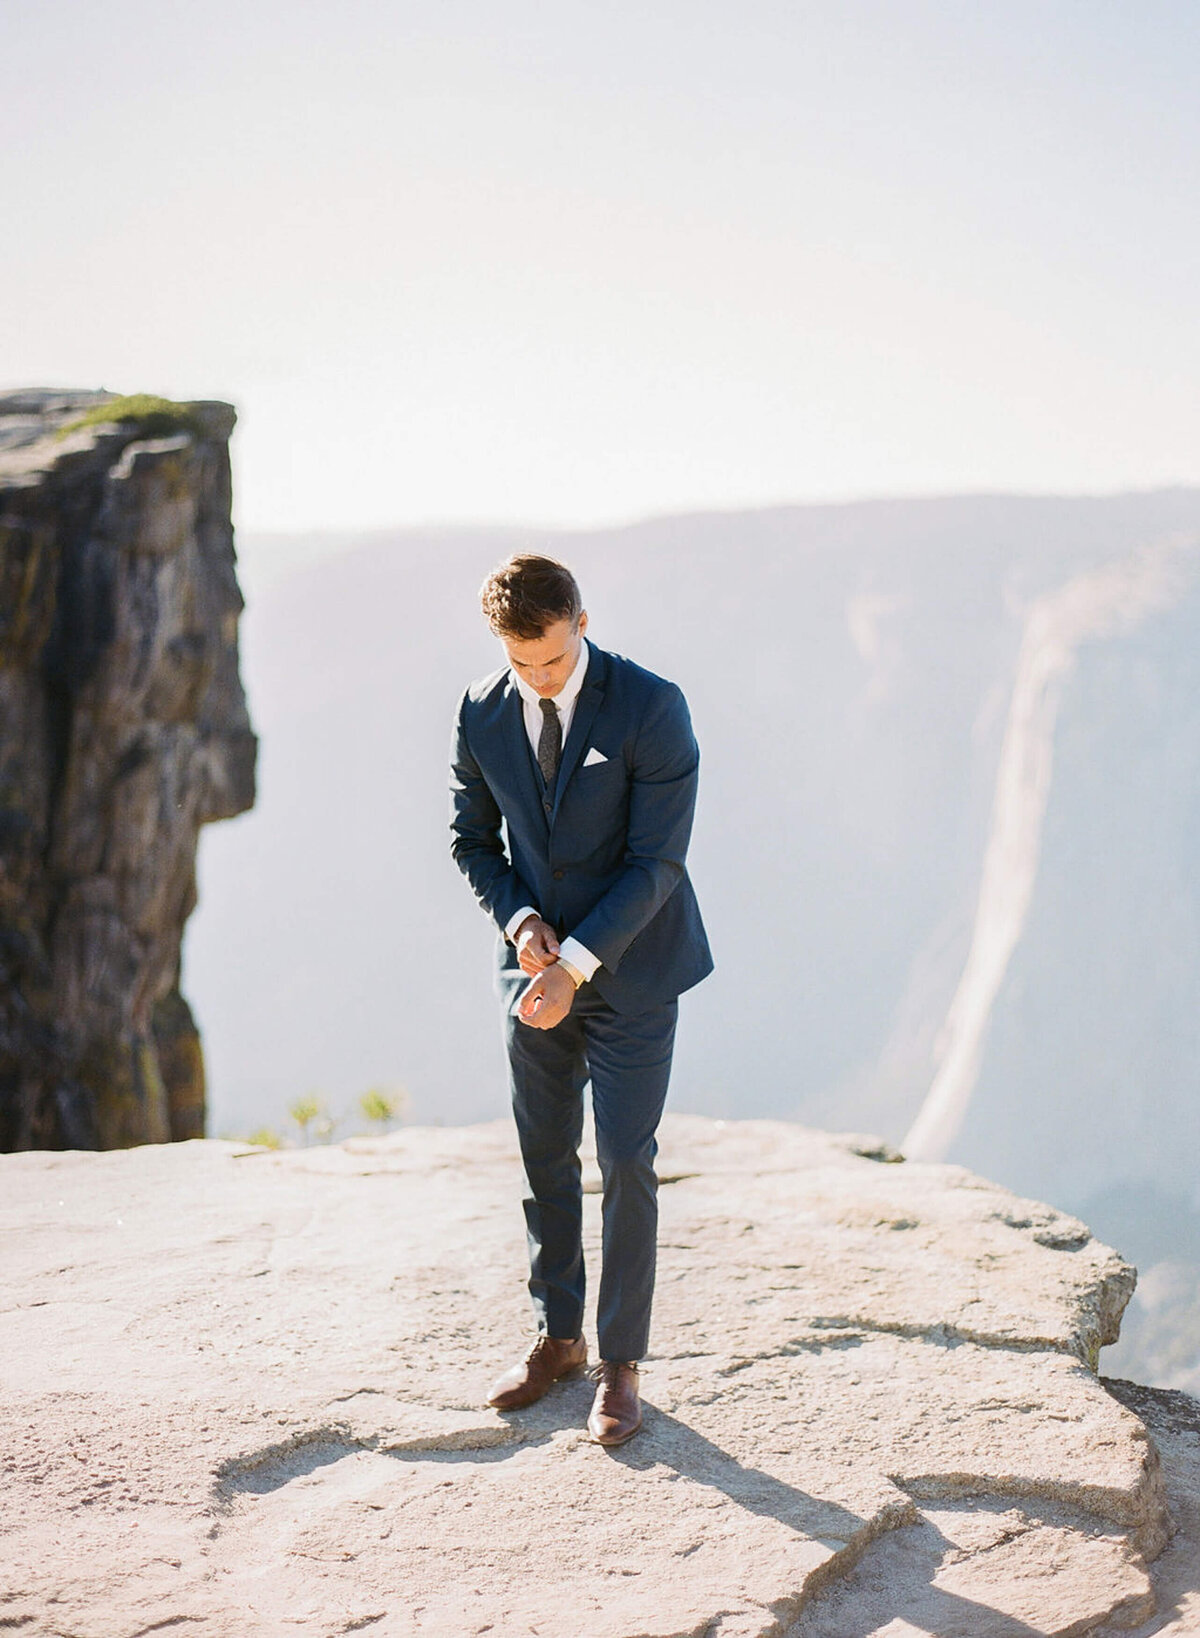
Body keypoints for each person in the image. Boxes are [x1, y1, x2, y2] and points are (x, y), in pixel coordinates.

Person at [449, 554, 712, 1445]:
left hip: (633, 972)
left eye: (553, 660)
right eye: (522, 664)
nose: (538, 678)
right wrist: (524, 928)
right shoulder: (482, 710)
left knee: (626, 1161)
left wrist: (579, 964)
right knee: (542, 1151)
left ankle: (620, 1364)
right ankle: (557, 1338)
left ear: (582, 622)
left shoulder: (652, 706)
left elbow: (658, 864)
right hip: (532, 967)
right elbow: (472, 839)